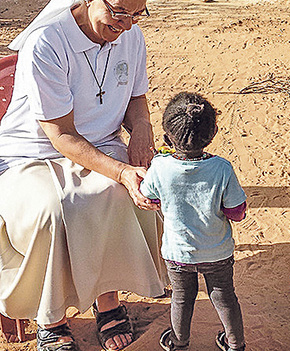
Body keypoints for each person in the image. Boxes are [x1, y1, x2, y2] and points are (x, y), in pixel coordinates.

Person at [0, 0, 167, 350]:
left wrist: (142, 129)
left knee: (128, 193)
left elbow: (136, 97)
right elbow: (60, 135)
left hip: (102, 145)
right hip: (32, 153)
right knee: (52, 210)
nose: (126, 25)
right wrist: (121, 170)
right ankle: (52, 317)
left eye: (138, 15)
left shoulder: (132, 36)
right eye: (119, 11)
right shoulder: (47, 41)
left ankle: (107, 301)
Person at [140, 92, 247, 351]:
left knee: (181, 298)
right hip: (217, 252)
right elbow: (237, 211)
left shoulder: (160, 167)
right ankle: (235, 344)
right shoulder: (222, 168)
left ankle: (179, 342)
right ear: (212, 134)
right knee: (224, 298)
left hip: (178, 254)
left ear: (167, 138)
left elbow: (147, 195)